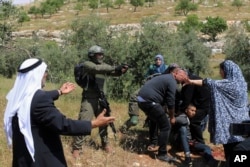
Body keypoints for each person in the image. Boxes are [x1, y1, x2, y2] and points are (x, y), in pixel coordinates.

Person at [3, 58, 115, 167]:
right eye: (44, 72)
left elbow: (37, 99)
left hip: (23, 158)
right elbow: (63, 125)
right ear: (37, 75)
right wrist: (94, 123)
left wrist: (59, 92)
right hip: (42, 159)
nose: (46, 75)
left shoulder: (17, 97)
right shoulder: (39, 99)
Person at [186, 60, 249, 166]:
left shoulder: (229, 84)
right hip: (244, 122)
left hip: (231, 125)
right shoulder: (242, 84)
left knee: (232, 149)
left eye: (221, 70)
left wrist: (190, 81)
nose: (220, 73)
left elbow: (209, 82)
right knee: (240, 150)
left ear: (227, 70)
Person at [71, 45, 128, 158]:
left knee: (104, 123)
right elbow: (98, 69)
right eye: (99, 54)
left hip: (101, 98)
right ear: (92, 55)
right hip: (89, 99)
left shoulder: (104, 66)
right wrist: (115, 67)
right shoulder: (87, 64)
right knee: (84, 121)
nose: (101, 56)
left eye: (102, 54)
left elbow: (113, 72)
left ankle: (105, 144)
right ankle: (77, 148)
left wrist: (122, 70)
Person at [137, 67, 188, 163]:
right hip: (149, 101)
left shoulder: (166, 78)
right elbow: (170, 102)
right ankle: (162, 153)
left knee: (157, 120)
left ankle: (154, 143)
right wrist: (172, 117)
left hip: (141, 99)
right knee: (166, 126)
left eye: (185, 77)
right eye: (182, 76)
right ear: (176, 73)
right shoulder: (171, 81)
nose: (183, 78)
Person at [120, 54, 168, 132]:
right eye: (156, 59)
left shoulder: (166, 68)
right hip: (150, 87)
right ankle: (133, 118)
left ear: (162, 60)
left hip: (162, 89)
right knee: (135, 96)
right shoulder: (152, 68)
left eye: (159, 59)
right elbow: (146, 77)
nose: (158, 61)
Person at [179, 70, 211, 144]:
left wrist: (179, 110)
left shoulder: (190, 82)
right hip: (204, 103)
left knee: (194, 122)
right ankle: (194, 140)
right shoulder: (193, 78)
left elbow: (187, 99)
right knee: (196, 122)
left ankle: (200, 143)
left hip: (203, 105)